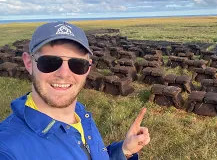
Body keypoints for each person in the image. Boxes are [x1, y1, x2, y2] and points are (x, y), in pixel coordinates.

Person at [0, 21, 150, 159]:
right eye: (50, 62)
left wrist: (124, 151)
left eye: (77, 64)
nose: (64, 74)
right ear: (28, 63)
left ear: (88, 67)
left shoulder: (79, 112)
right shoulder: (8, 148)